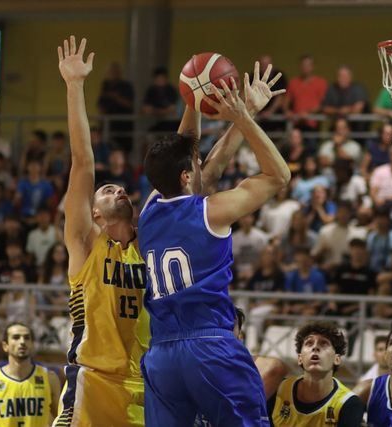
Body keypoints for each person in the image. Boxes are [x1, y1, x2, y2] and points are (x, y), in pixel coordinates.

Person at [138, 60, 289, 426]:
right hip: (210, 346)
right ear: (187, 174)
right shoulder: (212, 212)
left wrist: (194, 96)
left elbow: (200, 161)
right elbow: (278, 175)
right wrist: (245, 117)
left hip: (162, 355)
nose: (202, 157)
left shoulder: (147, 213)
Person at [54, 36, 150, 426]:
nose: (117, 188)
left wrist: (193, 103)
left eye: (121, 187)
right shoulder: (86, 242)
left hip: (146, 383)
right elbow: (82, 164)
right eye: (107, 190)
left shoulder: (153, 245)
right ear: (94, 212)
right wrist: (74, 86)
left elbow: (188, 177)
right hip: (91, 378)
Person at [267, 321, 364, 426]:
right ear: (300, 358)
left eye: (324, 343)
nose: (315, 347)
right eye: (309, 343)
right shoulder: (277, 389)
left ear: (337, 359)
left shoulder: (349, 403)